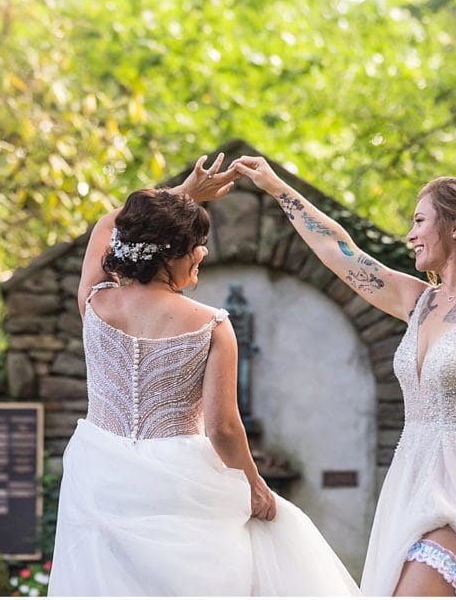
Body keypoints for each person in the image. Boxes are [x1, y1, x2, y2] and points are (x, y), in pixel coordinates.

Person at [232, 155, 456, 596]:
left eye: (419, 221)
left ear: (454, 225)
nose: (411, 235)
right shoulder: (417, 302)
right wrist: (278, 189)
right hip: (410, 476)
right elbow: (339, 252)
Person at [47, 154, 360, 596]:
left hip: (100, 469)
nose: (203, 253)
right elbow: (223, 428)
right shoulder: (211, 325)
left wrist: (181, 197)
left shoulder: (94, 304)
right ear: (170, 254)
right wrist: (254, 485)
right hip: (180, 480)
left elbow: (107, 225)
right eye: (196, 244)